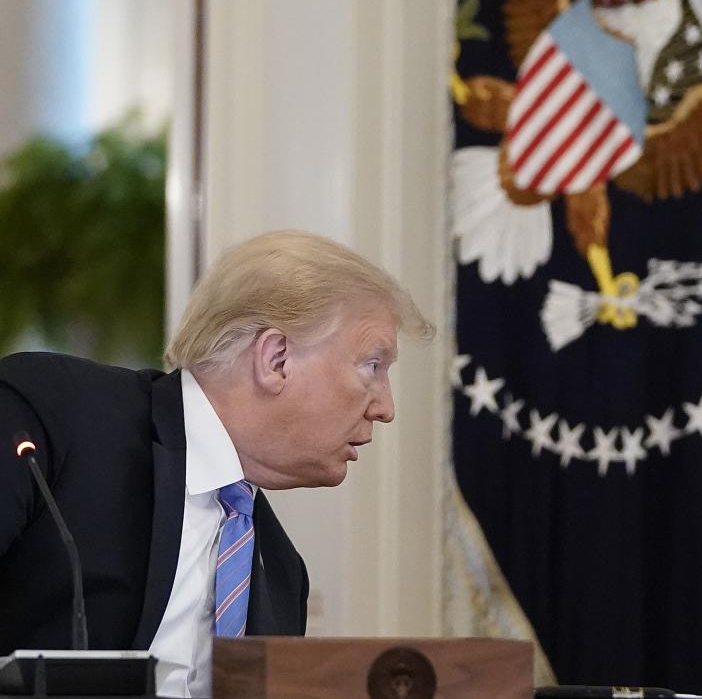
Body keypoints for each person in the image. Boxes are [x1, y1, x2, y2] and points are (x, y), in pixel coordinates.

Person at [0, 230, 430, 697]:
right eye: (372, 365)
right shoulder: (52, 417)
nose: (385, 407)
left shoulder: (283, 579)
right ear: (276, 358)